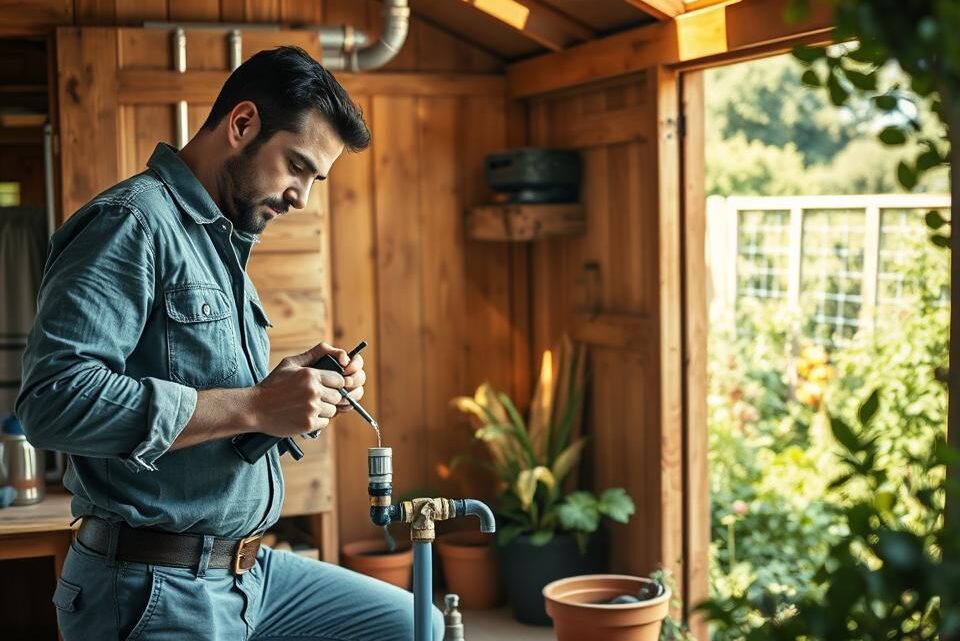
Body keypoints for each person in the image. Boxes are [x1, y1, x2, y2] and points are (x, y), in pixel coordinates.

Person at [16, 46, 443, 640]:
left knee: (411, 624)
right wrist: (255, 406)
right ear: (242, 126)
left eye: (315, 179)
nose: (303, 197)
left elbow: (211, 408)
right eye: (297, 166)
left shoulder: (222, 239)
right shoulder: (132, 224)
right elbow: (54, 400)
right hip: (153, 582)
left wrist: (284, 394)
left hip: (251, 573)